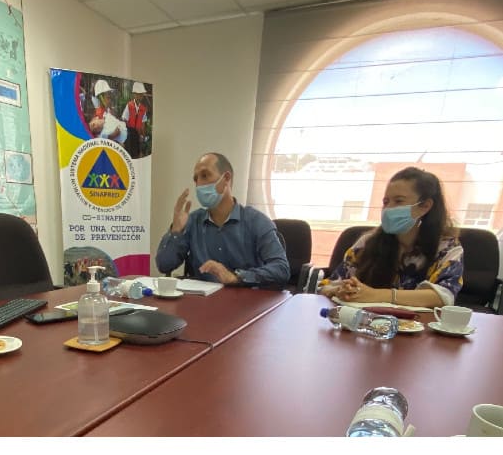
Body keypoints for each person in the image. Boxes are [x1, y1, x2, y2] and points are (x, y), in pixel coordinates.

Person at [320, 167, 463, 308]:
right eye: (386, 202)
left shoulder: (447, 247)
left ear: (425, 206)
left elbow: (443, 296)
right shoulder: (367, 242)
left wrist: (376, 295)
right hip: (365, 320)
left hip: (416, 322)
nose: (388, 208)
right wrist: (342, 290)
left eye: (398, 201)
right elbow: (327, 285)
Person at [155, 152, 289, 288]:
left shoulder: (256, 221)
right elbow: (164, 265)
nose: (199, 184)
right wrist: (176, 231)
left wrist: (237, 277)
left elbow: (281, 269)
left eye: (205, 175)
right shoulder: (193, 221)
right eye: (196, 179)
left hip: (245, 298)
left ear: (226, 178)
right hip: (203, 299)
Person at [121, 81, 149, 158]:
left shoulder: (143, 109)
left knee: (137, 154)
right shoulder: (129, 106)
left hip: (137, 135)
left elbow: (143, 125)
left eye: (141, 94)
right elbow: (124, 121)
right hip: (129, 134)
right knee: (128, 154)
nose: (140, 96)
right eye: (138, 94)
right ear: (134, 94)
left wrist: (142, 136)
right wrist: (123, 139)